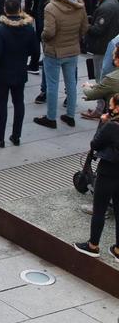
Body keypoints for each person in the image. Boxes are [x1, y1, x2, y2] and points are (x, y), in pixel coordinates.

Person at [0, 0, 39, 148]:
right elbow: (35, 50)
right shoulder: (28, 28)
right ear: (19, 10)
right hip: (19, 69)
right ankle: (16, 135)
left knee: (1, 105)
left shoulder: (1, 30)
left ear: (5, 9)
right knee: (18, 103)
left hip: (2, 72)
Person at [35, 0, 87, 129]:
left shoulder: (51, 7)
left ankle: (51, 118)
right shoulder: (79, 5)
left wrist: (43, 38)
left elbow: (49, 32)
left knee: (52, 85)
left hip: (54, 51)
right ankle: (70, 115)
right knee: (71, 83)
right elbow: (84, 28)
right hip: (72, 50)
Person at [73, 92, 119, 259]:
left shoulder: (112, 126)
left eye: (112, 106)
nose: (110, 108)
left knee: (99, 209)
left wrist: (104, 122)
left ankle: (93, 246)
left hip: (108, 172)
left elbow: (95, 143)